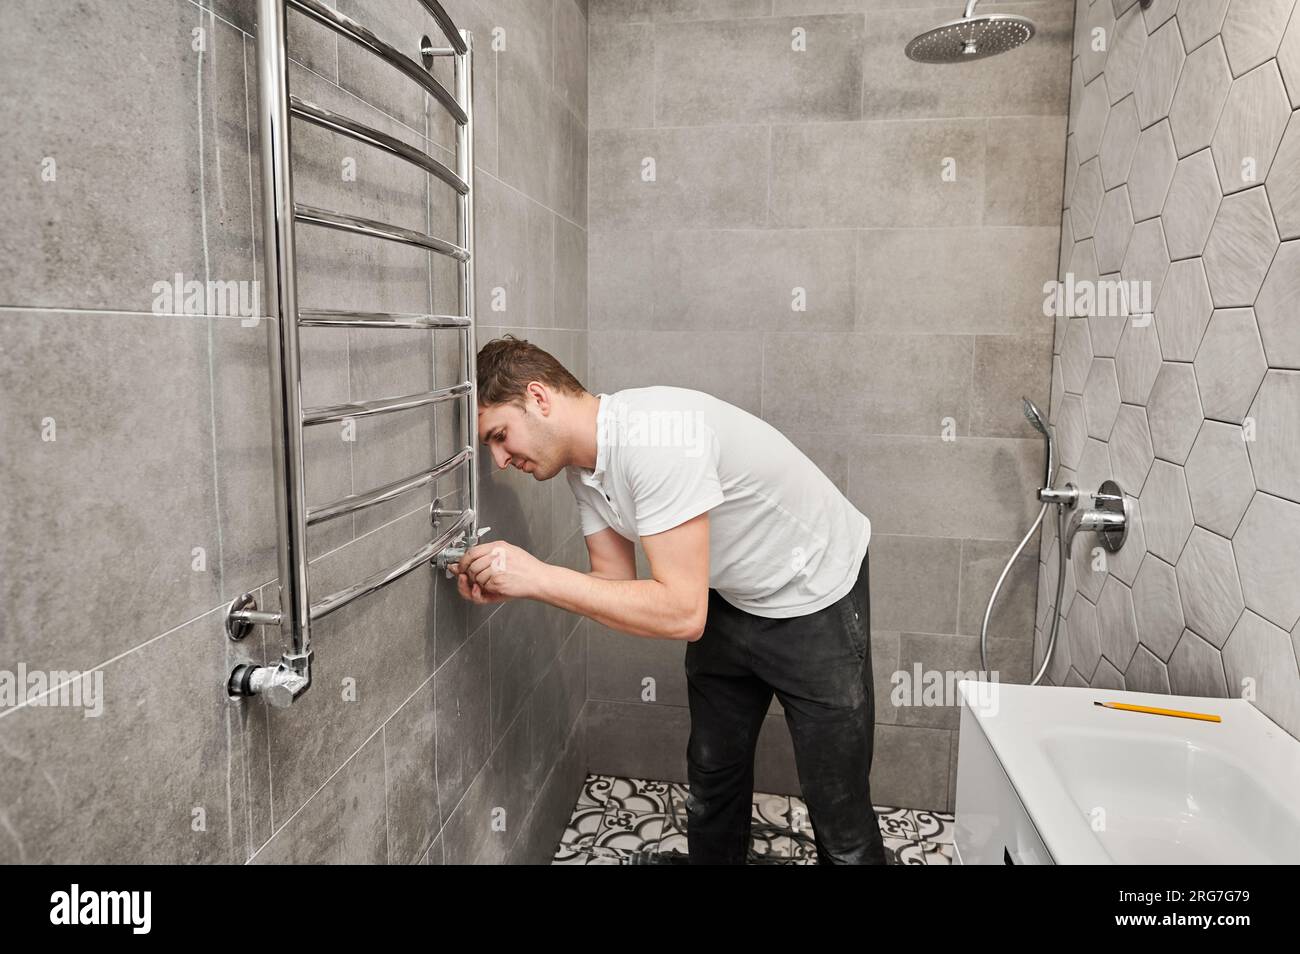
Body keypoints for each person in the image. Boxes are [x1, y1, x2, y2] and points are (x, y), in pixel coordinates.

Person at [453, 334, 886, 865]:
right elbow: (612, 586)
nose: (498, 460)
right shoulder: (584, 470)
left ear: (539, 398)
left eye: (499, 436)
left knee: (837, 808)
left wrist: (538, 577)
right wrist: (521, 584)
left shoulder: (655, 440)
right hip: (724, 593)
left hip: (814, 594)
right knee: (712, 780)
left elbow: (681, 612)